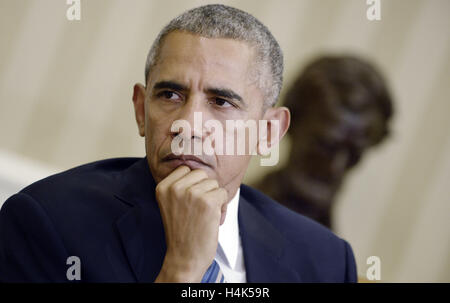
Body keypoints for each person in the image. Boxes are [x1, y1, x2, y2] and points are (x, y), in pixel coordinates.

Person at [0, 5, 357, 282]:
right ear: (142, 111)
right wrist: (182, 270)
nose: (187, 125)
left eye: (221, 102)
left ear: (268, 132)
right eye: (170, 95)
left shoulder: (325, 260)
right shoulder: (48, 222)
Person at [256, 56, 394, 229]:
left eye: (354, 155)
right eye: (325, 146)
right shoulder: (229, 217)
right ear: (289, 124)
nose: (335, 167)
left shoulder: (335, 252)